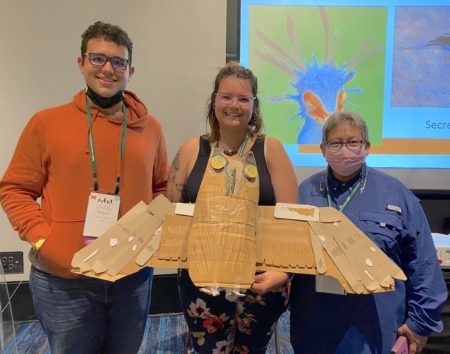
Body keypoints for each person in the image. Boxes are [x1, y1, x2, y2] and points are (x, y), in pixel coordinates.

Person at [0, 21, 169, 353]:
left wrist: (152, 238)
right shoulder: (46, 123)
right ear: (81, 63)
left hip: (131, 277)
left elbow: (160, 187)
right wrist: (45, 239)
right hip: (64, 278)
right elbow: (15, 188)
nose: (108, 69)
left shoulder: (151, 129)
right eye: (97, 59)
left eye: (118, 62)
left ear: (130, 70)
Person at [290, 111, 448, 354]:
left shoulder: (396, 194)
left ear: (367, 147)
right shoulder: (304, 192)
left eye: (353, 142)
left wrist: (419, 324)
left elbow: (424, 266)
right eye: (336, 143)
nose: (345, 149)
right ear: (323, 148)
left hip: (375, 331)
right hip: (314, 329)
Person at [167, 62, 298, 353]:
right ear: (214, 100)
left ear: (255, 105)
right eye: (226, 96)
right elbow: (171, 217)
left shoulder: (271, 150)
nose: (234, 105)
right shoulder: (191, 151)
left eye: (243, 98)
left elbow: (293, 222)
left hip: (260, 282)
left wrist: (283, 274)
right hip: (201, 278)